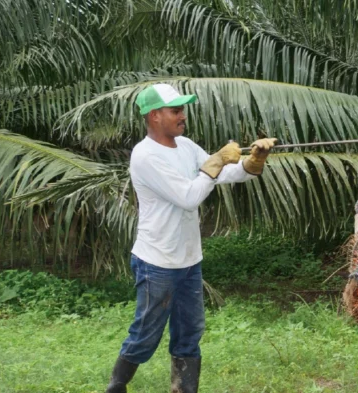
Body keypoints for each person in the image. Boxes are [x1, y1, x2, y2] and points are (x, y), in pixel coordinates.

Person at [104, 83, 276, 393]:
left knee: (189, 332)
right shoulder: (145, 156)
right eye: (176, 110)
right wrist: (215, 161)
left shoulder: (184, 145)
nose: (183, 115)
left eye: (183, 109)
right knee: (146, 333)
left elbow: (222, 173)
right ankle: (116, 387)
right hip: (157, 261)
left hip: (188, 259)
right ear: (155, 115)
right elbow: (189, 196)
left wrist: (252, 162)